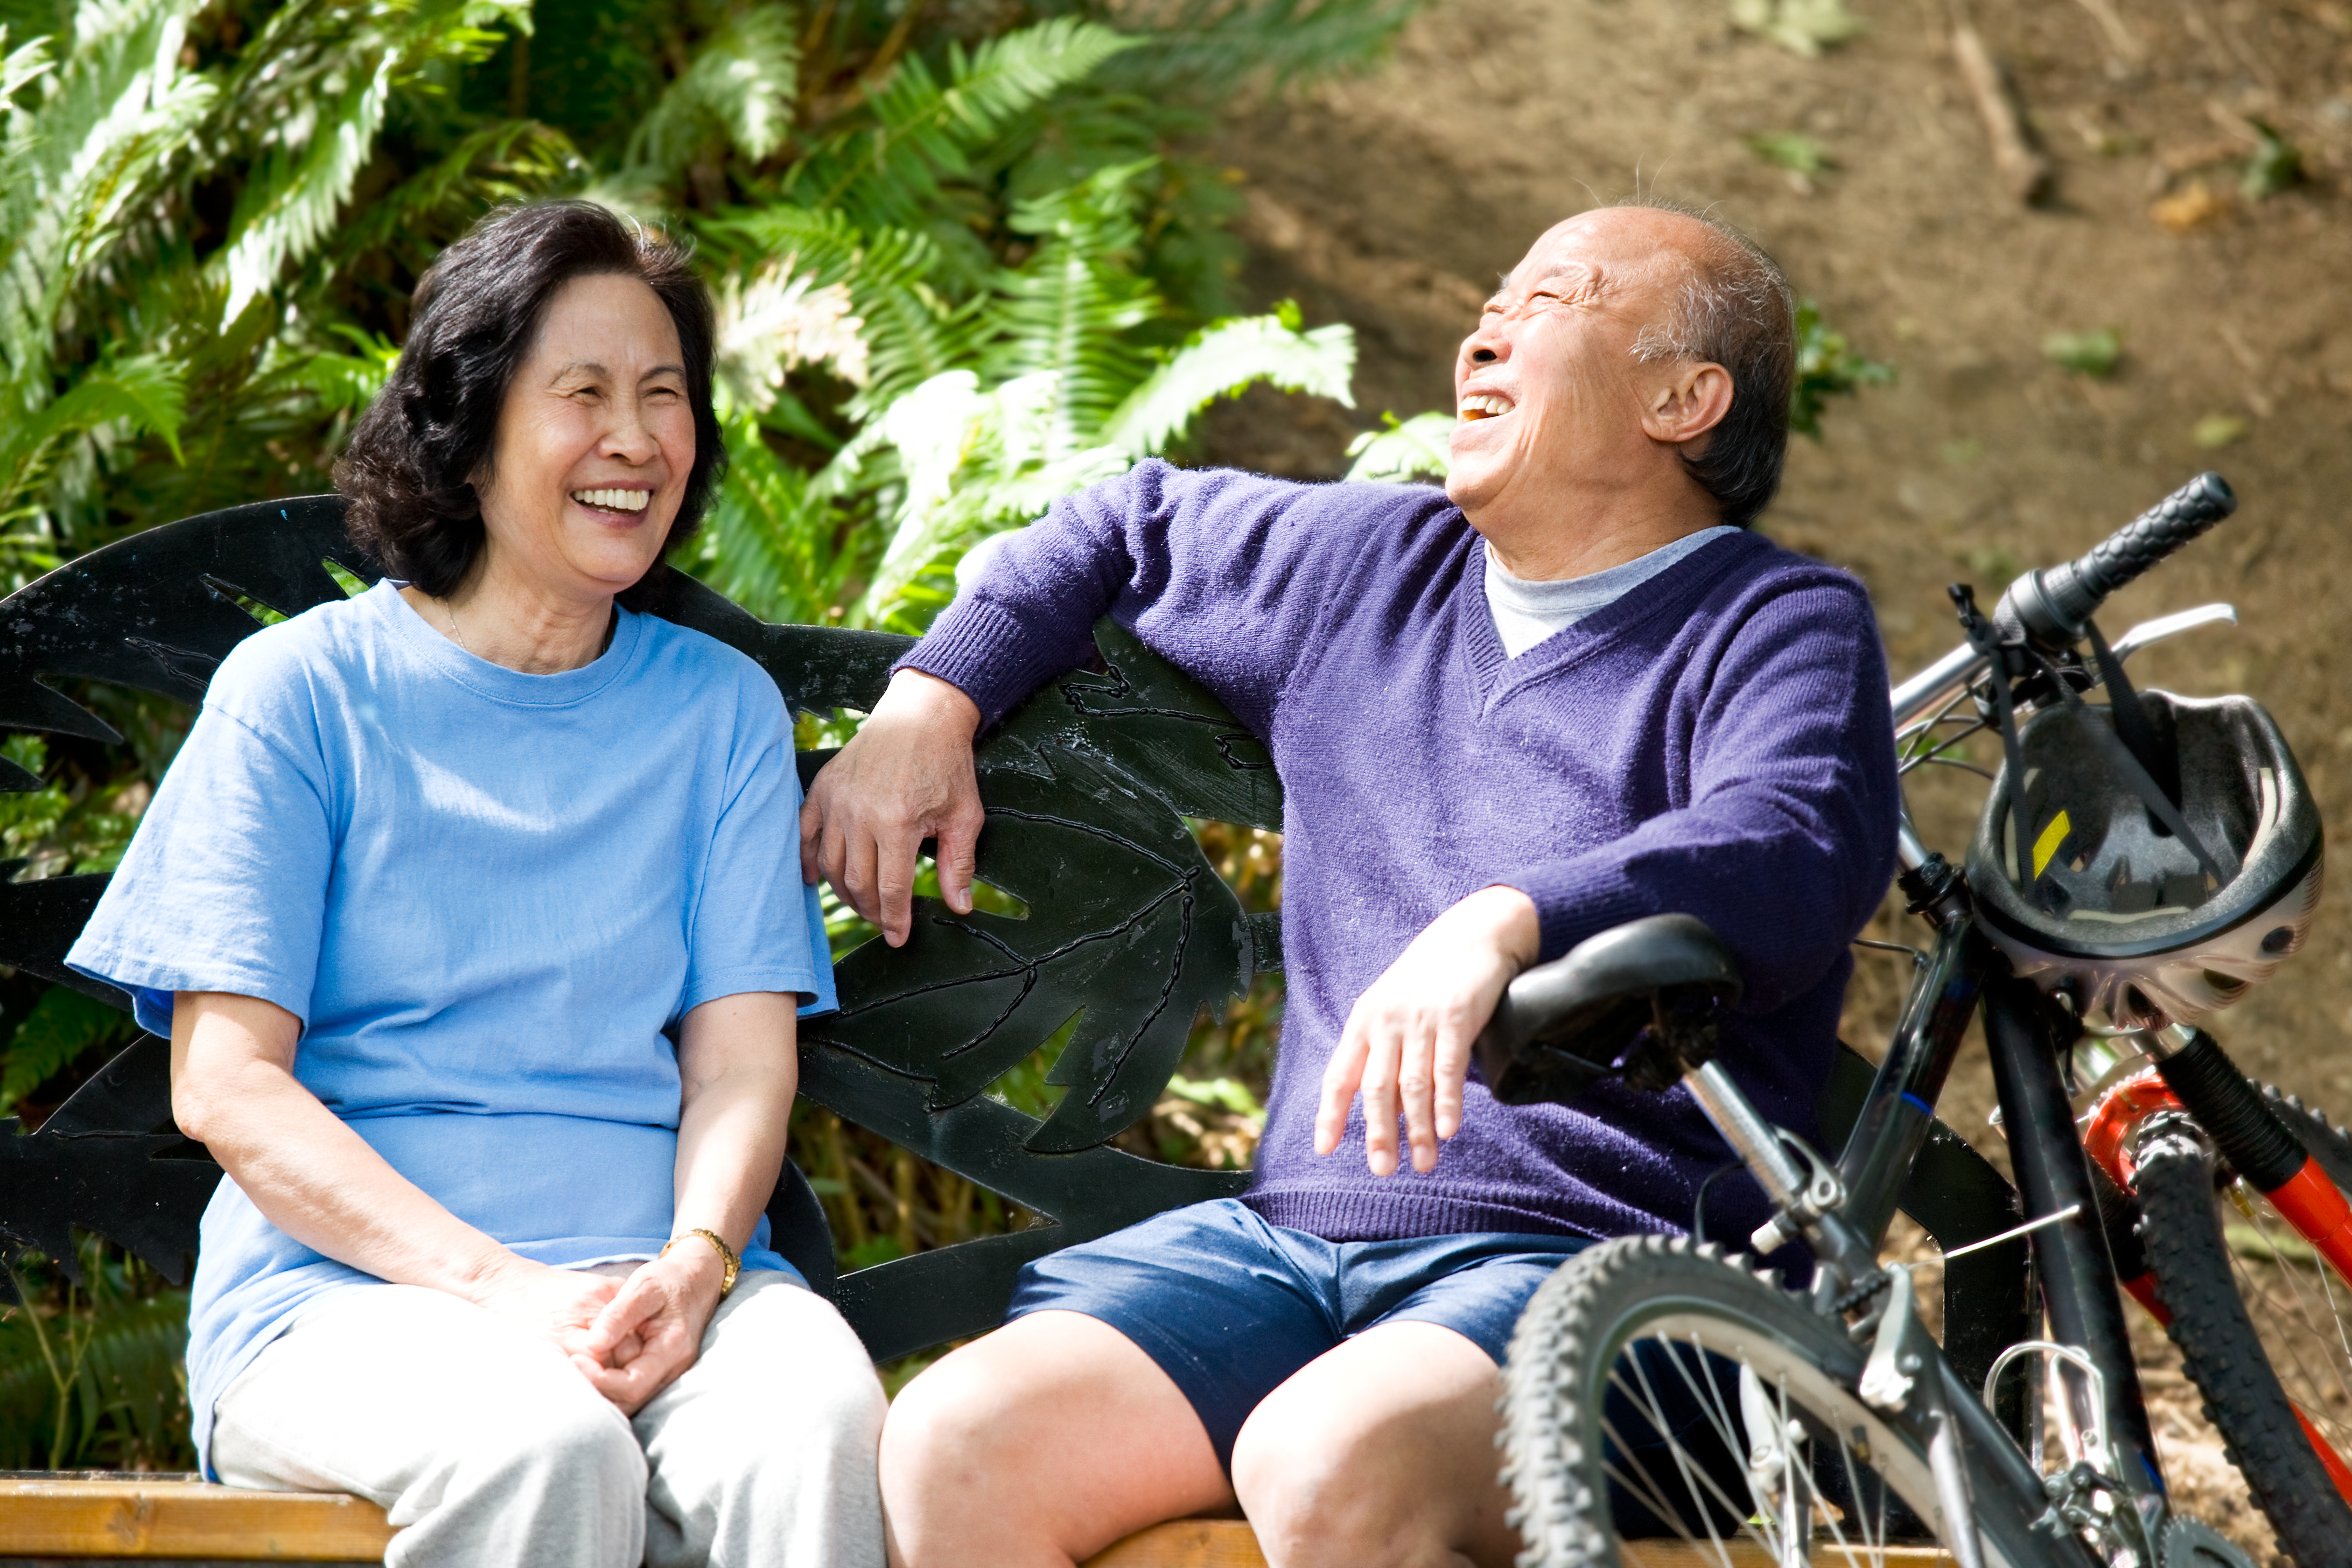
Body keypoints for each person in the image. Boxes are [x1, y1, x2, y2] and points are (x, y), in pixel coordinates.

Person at [801, 198, 1901, 1567]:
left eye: (1555, 301)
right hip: (1300, 1247)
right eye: (1493, 299)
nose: (1487, 329)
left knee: (1326, 1461)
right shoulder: (1366, 569)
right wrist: (931, 696)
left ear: (1684, 398)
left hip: (1620, 1273)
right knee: (961, 1437)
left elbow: (1796, 839)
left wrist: (1510, 921)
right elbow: (1124, 522)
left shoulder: (1776, 626)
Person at [65, 200, 886, 1568]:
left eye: (666, 395)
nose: (636, 439)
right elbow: (226, 1086)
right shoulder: (302, 695)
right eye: (585, 395)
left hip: (662, 1283)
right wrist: (503, 1289)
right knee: (540, 1445)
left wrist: (695, 1265)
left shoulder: (718, 715)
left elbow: (742, 1068)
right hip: (348, 1302)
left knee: (815, 1426)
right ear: (471, 424)